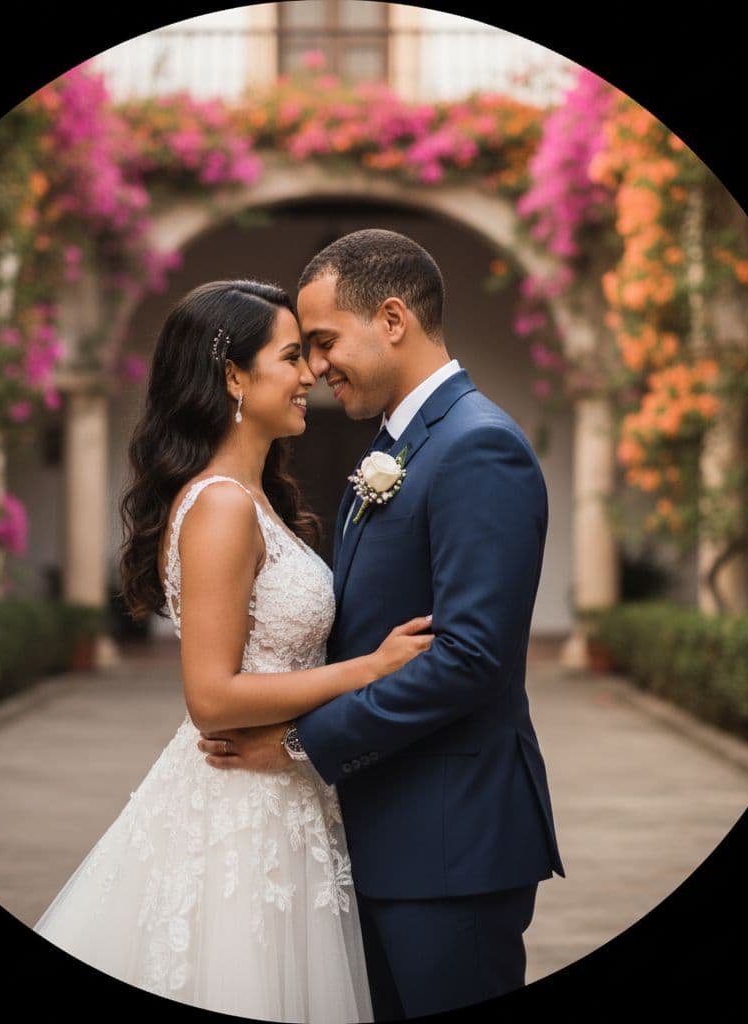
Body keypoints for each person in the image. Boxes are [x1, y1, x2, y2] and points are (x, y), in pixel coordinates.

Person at [32, 279, 434, 1022]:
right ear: (232, 376)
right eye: (291, 356)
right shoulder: (219, 506)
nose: (310, 373)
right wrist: (370, 669)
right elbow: (211, 697)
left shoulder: (254, 500)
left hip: (286, 792)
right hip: (241, 812)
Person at [198, 229, 565, 1019]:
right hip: (382, 833)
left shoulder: (478, 447)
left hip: (450, 843)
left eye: (324, 342)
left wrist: (297, 745)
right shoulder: (400, 449)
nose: (317, 368)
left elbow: (470, 658)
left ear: (392, 319)